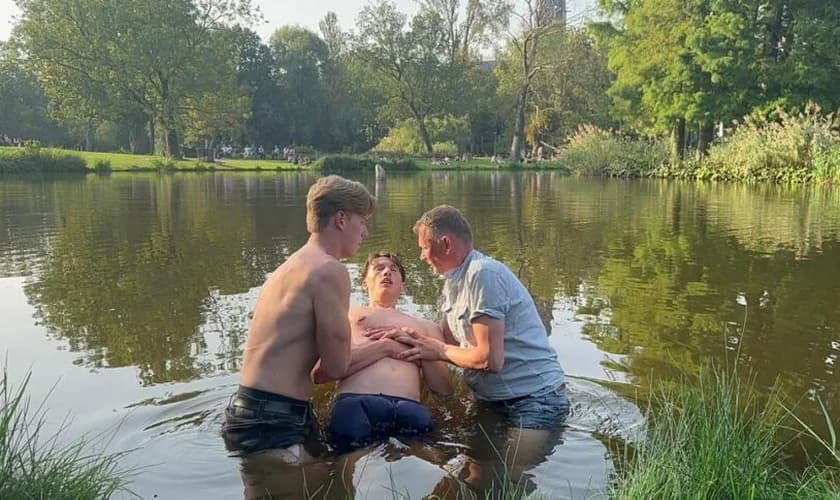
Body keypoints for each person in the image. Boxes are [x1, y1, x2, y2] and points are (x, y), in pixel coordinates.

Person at [222, 175, 376, 462]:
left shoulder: (290, 267)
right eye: (362, 221)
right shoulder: (330, 270)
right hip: (275, 421)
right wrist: (386, 349)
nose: (365, 232)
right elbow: (335, 366)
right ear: (341, 219)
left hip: (250, 411)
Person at [314, 252, 453, 453]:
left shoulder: (427, 328)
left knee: (431, 466)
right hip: (357, 401)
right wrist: (386, 347)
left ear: (403, 287)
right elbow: (323, 372)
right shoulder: (348, 315)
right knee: (350, 468)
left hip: (410, 407)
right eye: (379, 268)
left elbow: (443, 389)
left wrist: (418, 347)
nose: (387, 271)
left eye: (394, 270)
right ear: (364, 283)